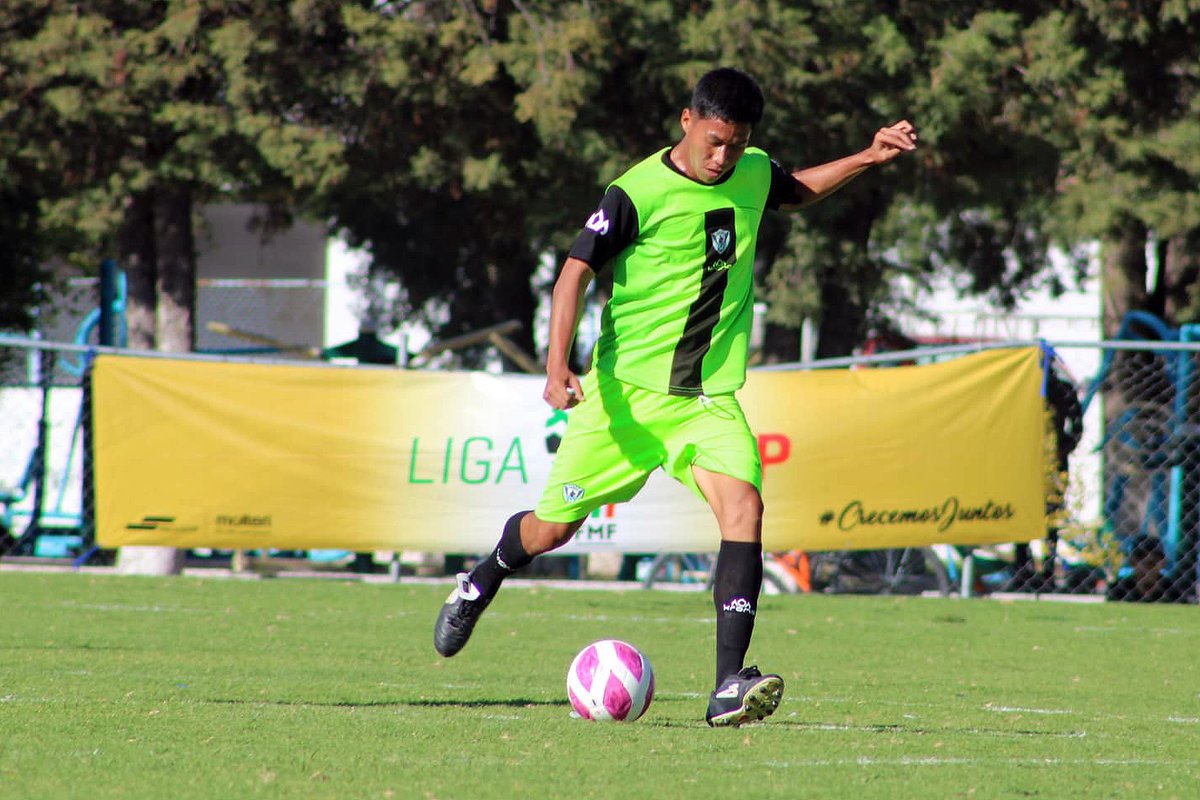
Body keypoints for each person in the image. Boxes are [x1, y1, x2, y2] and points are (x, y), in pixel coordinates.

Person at [434, 67, 918, 726]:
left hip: (705, 399)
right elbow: (573, 273)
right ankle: (482, 577)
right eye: (715, 140)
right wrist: (557, 367)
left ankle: (727, 686)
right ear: (687, 122)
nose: (725, 157)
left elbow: (795, 189)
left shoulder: (751, 171)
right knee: (552, 530)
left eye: (738, 144)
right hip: (622, 398)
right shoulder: (636, 192)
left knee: (744, 508)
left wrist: (868, 155)